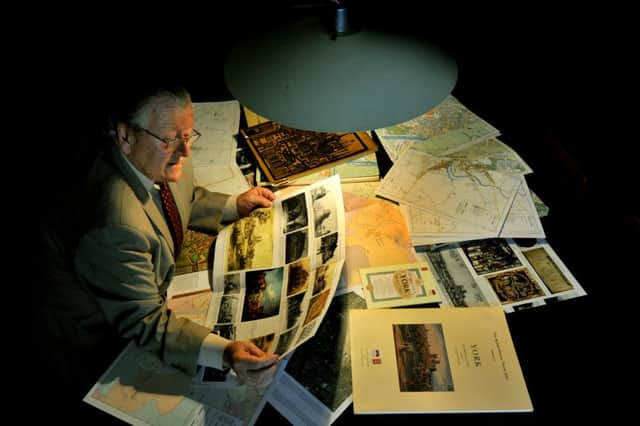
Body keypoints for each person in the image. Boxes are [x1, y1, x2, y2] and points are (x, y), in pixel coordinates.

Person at [71, 84, 279, 389]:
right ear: (126, 137)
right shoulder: (114, 225)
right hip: (100, 341)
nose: (185, 151)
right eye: (171, 139)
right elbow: (146, 322)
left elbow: (183, 197)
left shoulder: (163, 151)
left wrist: (235, 204)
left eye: (188, 135)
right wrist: (225, 352)